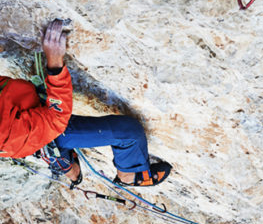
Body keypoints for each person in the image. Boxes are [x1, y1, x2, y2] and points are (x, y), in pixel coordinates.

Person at [0, 19, 171, 187]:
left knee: (57, 148)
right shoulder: (8, 131)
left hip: (26, 112)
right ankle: (129, 174)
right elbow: (56, 118)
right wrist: (54, 64)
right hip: (37, 131)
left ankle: (65, 163)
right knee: (128, 133)